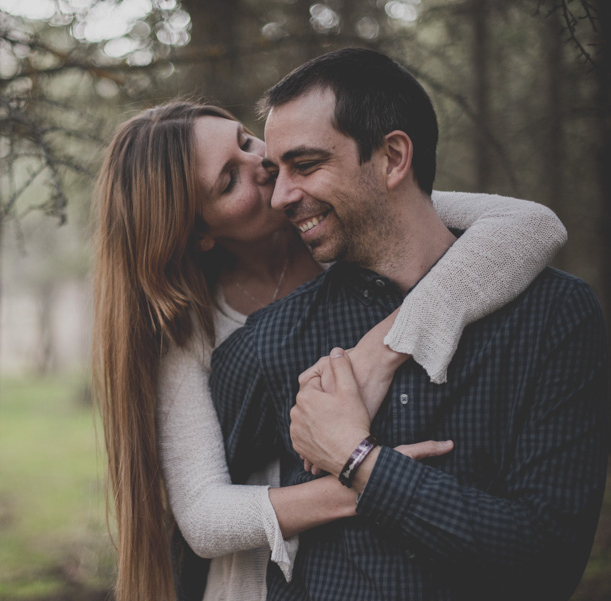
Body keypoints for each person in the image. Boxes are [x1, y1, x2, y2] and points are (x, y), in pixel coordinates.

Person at [92, 100, 567, 600]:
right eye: (229, 180)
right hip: (257, 584)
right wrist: (371, 479)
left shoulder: (346, 222)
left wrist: (380, 350)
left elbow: (532, 226)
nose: (262, 162)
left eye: (246, 140)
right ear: (199, 234)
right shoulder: (189, 329)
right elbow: (204, 516)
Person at [210, 48, 609, 601]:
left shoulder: (554, 315)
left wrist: (359, 462)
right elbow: (197, 518)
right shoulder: (270, 342)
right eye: (276, 173)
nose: (280, 198)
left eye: (306, 165)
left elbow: (550, 563)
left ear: (394, 157)